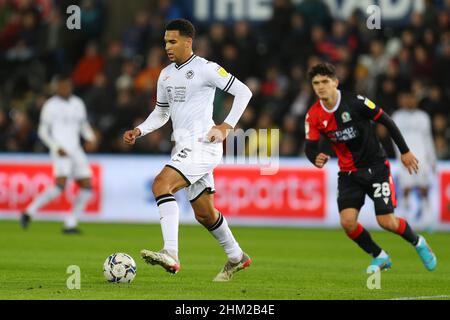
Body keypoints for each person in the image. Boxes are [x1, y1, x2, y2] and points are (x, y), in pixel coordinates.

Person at [123, 19, 253, 281]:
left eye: (172, 42)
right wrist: (139, 130)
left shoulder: (206, 69)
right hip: (184, 147)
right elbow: (161, 113)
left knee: (161, 184)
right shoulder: (166, 74)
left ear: (187, 42)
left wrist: (226, 125)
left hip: (203, 145)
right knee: (205, 214)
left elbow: (244, 92)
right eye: (165, 42)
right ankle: (237, 257)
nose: (168, 47)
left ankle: (171, 252)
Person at [304, 63, 437, 273]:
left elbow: (387, 121)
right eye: (316, 83)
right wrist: (315, 158)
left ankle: (418, 242)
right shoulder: (313, 116)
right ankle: (380, 256)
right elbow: (310, 146)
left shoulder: (355, 102)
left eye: (325, 82)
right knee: (347, 223)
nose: (320, 87)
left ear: (335, 83)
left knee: (387, 222)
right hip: (348, 173)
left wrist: (404, 151)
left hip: (376, 167)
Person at [20, 74, 97, 234]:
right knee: (60, 186)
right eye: (62, 86)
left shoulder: (77, 103)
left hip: (76, 150)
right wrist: (55, 147)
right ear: (56, 87)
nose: (65, 88)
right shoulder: (50, 106)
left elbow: (83, 126)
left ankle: (70, 223)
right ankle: (29, 212)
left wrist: (90, 138)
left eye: (68, 85)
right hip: (60, 150)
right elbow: (42, 131)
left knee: (87, 185)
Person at [392, 91, 437, 232]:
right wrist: (398, 156)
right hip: (405, 158)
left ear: (415, 100)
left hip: (422, 158)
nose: (408, 101)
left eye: (411, 98)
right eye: (406, 98)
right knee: (406, 188)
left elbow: (428, 139)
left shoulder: (423, 117)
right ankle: (404, 219)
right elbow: (394, 140)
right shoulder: (397, 117)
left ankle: (428, 220)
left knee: (424, 189)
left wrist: (432, 158)